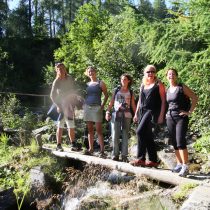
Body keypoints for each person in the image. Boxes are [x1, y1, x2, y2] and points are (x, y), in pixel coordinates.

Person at [130, 65, 166, 167]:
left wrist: (161, 115)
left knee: (140, 132)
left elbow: (164, 101)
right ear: (145, 73)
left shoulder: (159, 85)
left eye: (152, 71)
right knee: (148, 135)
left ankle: (140, 158)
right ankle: (153, 160)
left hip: (152, 111)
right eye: (148, 72)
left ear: (155, 73)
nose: (150, 73)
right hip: (142, 111)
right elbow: (140, 100)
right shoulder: (143, 85)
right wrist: (136, 113)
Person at [166, 68, 198, 177]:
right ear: (167, 76)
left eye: (173, 74)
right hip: (170, 117)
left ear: (176, 76)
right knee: (174, 142)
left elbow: (194, 97)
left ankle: (185, 167)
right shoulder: (167, 89)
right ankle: (179, 164)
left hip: (181, 117)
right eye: (169, 74)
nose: (171, 76)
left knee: (180, 141)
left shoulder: (181, 87)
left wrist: (189, 112)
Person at [105, 73, 136, 162]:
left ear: (128, 81)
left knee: (125, 135)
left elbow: (133, 105)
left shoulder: (130, 92)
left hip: (127, 116)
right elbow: (111, 103)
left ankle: (124, 155)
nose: (123, 81)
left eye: (125, 79)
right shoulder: (116, 90)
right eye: (122, 79)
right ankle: (115, 154)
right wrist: (107, 111)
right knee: (115, 135)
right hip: (116, 115)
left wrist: (136, 115)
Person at [50, 63, 78, 152]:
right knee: (60, 125)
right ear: (56, 70)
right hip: (61, 104)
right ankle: (58, 145)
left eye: (62, 68)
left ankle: (73, 144)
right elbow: (52, 95)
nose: (61, 70)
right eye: (58, 69)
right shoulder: (56, 81)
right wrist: (58, 106)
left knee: (71, 125)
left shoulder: (69, 78)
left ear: (65, 69)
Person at [83, 66, 108, 156]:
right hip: (87, 107)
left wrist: (102, 105)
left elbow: (106, 95)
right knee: (90, 130)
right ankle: (91, 149)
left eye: (92, 71)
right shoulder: (87, 84)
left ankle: (102, 151)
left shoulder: (100, 83)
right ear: (87, 73)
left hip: (97, 108)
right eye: (89, 71)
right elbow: (84, 96)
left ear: (95, 72)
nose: (91, 73)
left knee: (99, 130)